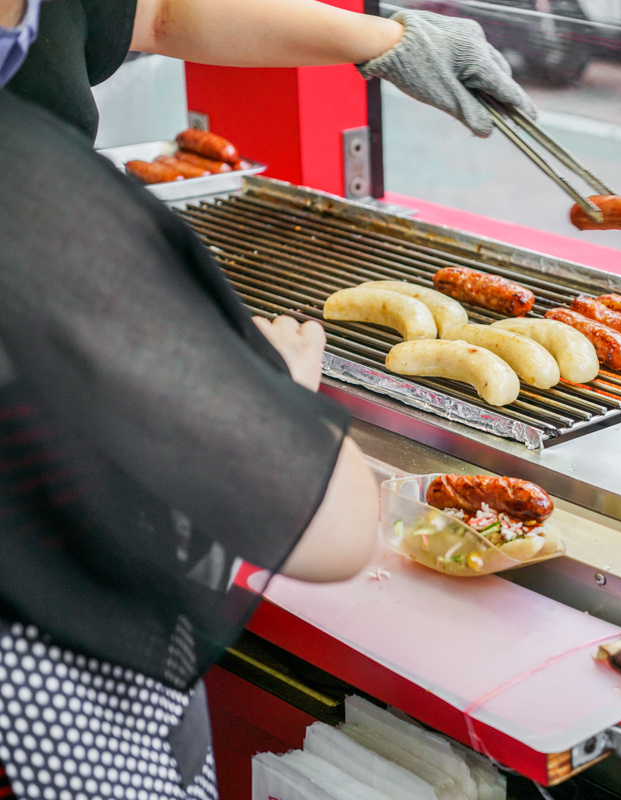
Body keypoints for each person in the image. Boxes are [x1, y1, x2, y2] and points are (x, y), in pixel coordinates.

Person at [0, 0, 536, 797]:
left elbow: (161, 12)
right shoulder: (35, 193)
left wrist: (387, 37)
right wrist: (268, 394)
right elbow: (334, 525)